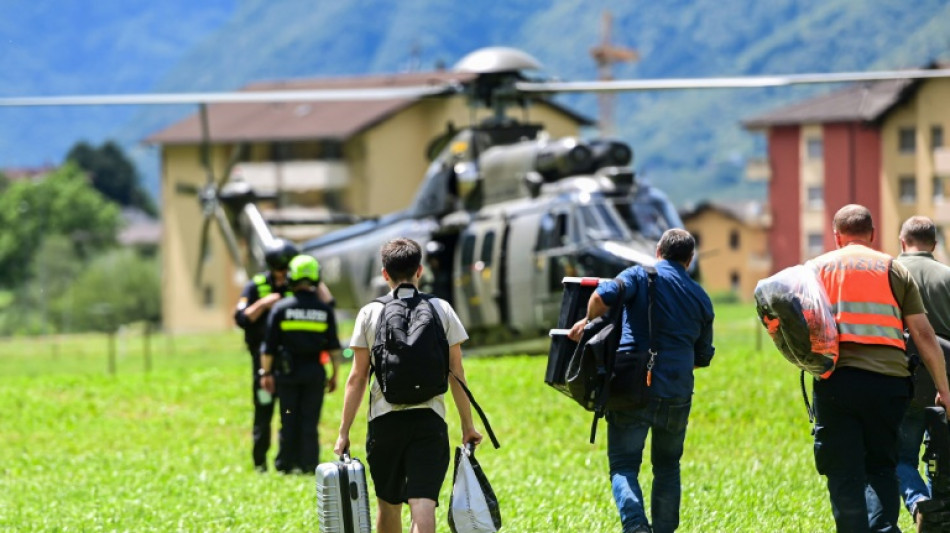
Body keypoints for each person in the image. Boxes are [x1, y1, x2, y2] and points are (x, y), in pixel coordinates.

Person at [805, 204, 950, 532]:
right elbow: (924, 335)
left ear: (836, 236)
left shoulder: (816, 268)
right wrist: (944, 388)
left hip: (836, 381)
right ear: (872, 234)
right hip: (888, 384)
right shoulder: (893, 269)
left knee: (842, 469)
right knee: (882, 466)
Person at [568, 228, 715, 533]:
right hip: (677, 393)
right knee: (668, 466)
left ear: (658, 251)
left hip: (631, 389)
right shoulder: (701, 296)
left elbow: (601, 296)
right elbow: (702, 357)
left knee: (623, 465)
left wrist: (588, 321)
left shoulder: (639, 275)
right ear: (689, 260)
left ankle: (636, 526)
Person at [334, 237, 483, 533]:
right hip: (429, 420)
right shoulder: (441, 308)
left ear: (384, 274)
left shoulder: (370, 312)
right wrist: (468, 425)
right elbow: (456, 373)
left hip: (384, 422)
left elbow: (357, 377)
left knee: (389, 505)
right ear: (420, 270)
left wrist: (343, 432)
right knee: (423, 504)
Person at [259, 254, 341, 474]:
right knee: (310, 420)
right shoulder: (324, 310)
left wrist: (266, 373)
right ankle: (309, 464)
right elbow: (334, 347)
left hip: (287, 374)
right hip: (314, 373)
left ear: (291, 277)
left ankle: (285, 464)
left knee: (288, 417)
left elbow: (269, 347)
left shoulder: (281, 308)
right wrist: (335, 374)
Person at [894, 215, 950, 528]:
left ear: (902, 242)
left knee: (899, 457)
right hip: (945, 382)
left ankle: (919, 505)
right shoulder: (948, 276)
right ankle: (939, 516)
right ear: (935, 244)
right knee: (941, 456)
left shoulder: (888, 273)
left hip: (902, 378)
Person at [233, 238, 298, 472]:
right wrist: (264, 304)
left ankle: (286, 463)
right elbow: (240, 318)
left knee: (289, 413)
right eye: (281, 270)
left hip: (291, 361)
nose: (284, 275)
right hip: (262, 362)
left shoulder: (298, 286)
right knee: (263, 411)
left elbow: (328, 303)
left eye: (288, 269)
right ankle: (260, 463)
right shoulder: (256, 286)